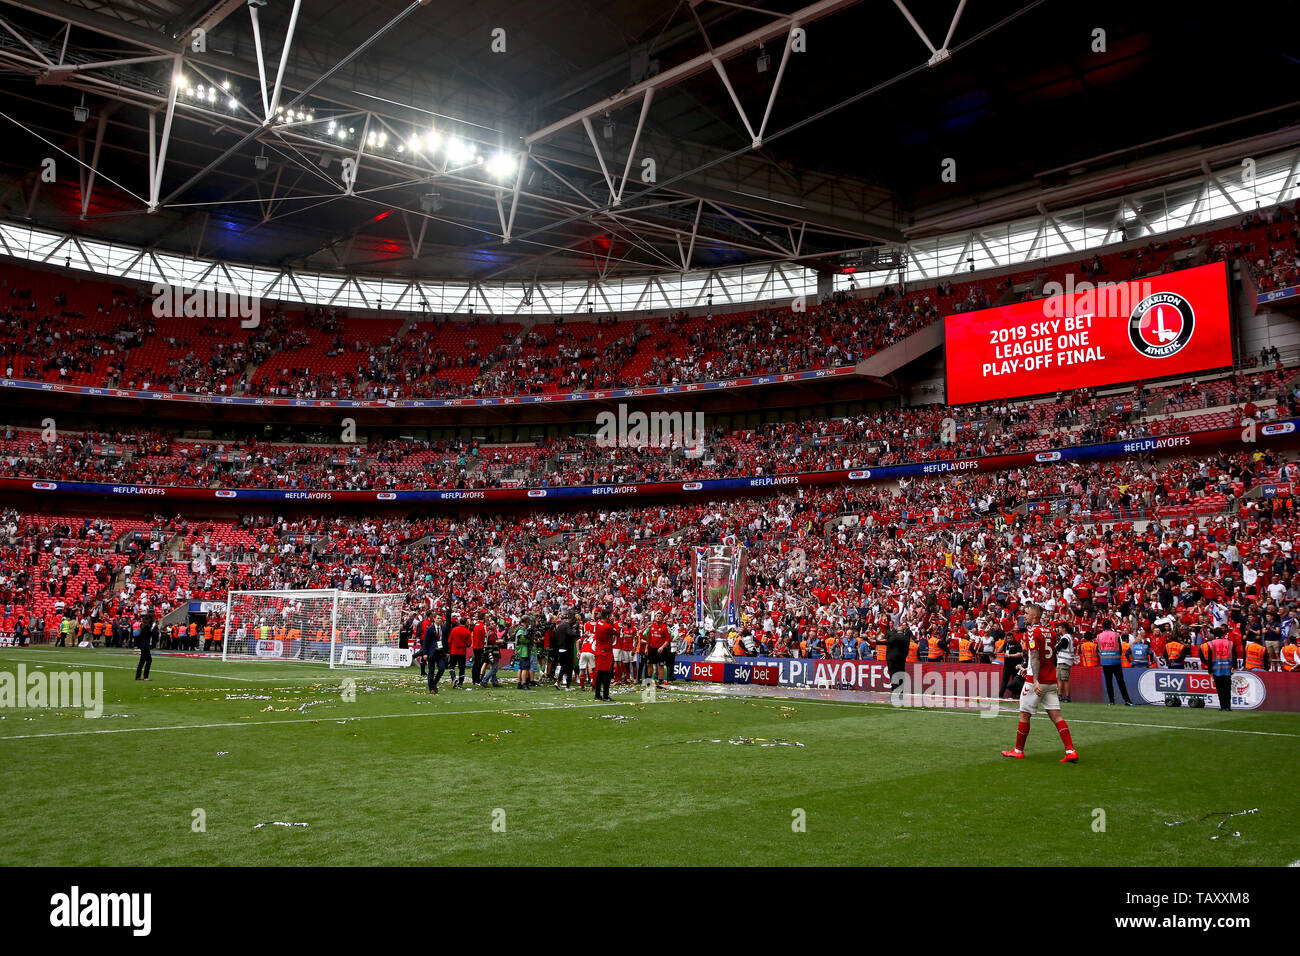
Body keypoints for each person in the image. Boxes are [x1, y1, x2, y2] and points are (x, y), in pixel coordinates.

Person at [1002, 604, 1078, 762]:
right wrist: (1027, 668)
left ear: (1035, 616)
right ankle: (1071, 751)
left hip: (1036, 681)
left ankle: (1018, 750)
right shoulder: (1051, 632)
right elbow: (1047, 656)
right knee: (1057, 716)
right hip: (1050, 680)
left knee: (1024, 715)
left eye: (1028, 613)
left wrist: (1035, 679)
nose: (1025, 616)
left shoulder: (1032, 632)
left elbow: (1036, 656)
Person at [1096, 619, 1133, 706]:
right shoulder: (1116, 635)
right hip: (1116, 661)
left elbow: (1098, 649)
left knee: (1109, 682)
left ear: (1103, 626)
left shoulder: (1099, 636)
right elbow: (1120, 649)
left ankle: (1111, 701)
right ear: (1111, 626)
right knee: (1120, 682)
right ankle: (1127, 700)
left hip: (1105, 662)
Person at [1206, 627, 1235, 710]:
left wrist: (1210, 671)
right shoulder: (1229, 643)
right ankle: (1228, 707)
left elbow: (1210, 658)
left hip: (1217, 669)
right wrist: (1234, 666)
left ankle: (1222, 706)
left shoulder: (1211, 644)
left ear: (1214, 634)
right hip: (1227, 669)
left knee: (1220, 689)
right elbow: (1234, 655)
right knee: (1227, 689)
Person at [592, 608, 616, 701]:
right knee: (607, 675)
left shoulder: (598, 623)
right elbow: (616, 632)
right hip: (606, 653)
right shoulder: (608, 626)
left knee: (600, 675)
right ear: (607, 616)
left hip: (599, 651)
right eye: (610, 615)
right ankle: (605, 695)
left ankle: (597, 694)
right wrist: (613, 623)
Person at [447, 612, 471, 688]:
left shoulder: (454, 629)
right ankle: (460, 683)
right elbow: (469, 643)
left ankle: (453, 678)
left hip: (454, 651)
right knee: (461, 668)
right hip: (462, 652)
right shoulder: (467, 632)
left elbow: (449, 641)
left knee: (451, 666)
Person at [134, 615, 152, 681]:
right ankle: (145, 676)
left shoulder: (142, 625)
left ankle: (138, 676)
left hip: (142, 644)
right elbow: (148, 635)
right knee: (148, 660)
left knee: (142, 660)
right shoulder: (146, 627)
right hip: (145, 644)